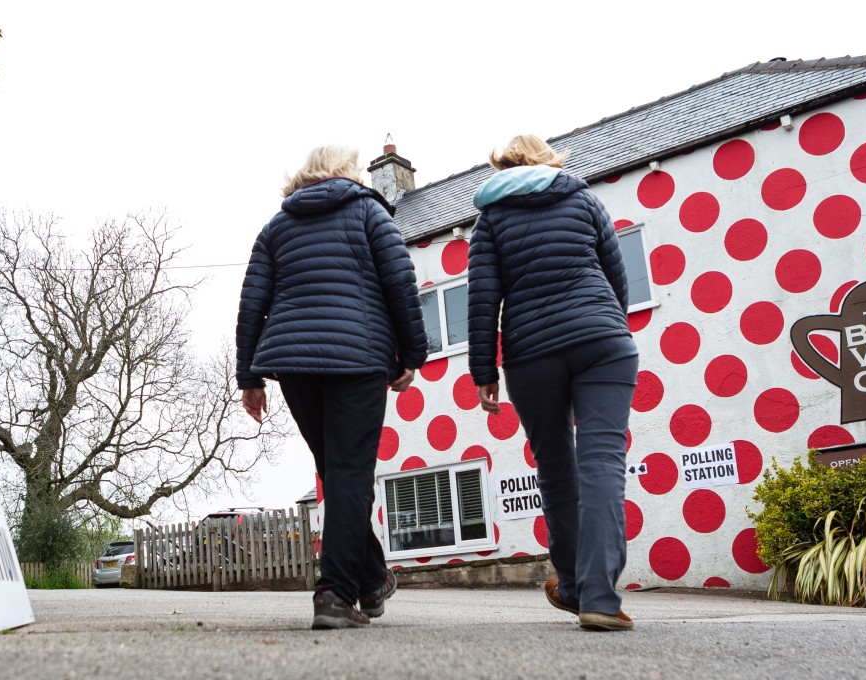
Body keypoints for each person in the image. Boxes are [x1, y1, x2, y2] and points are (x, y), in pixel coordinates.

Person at [236, 145, 428, 629]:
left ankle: (370, 579)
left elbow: (251, 302)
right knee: (348, 473)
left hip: (294, 366)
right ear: (346, 172)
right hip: (357, 358)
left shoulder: (275, 229)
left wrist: (249, 375)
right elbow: (400, 282)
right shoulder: (368, 212)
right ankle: (335, 593)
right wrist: (413, 354)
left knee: (335, 470)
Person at [467, 135, 639, 631]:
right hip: (603, 340)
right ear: (548, 159)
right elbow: (615, 274)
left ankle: (572, 586)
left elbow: (482, 302)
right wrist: (610, 324)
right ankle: (601, 599)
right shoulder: (582, 197)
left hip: (531, 354)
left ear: (501, 168)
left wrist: (484, 372)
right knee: (603, 463)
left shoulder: (490, 219)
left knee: (556, 468)